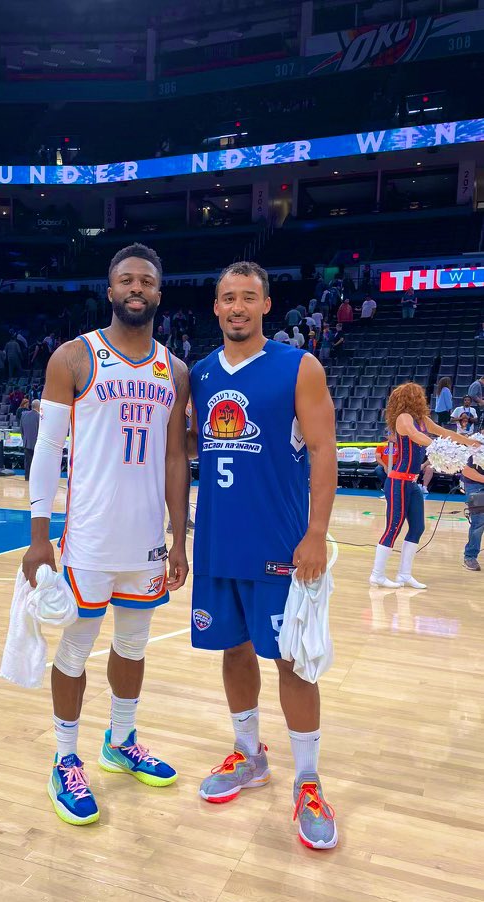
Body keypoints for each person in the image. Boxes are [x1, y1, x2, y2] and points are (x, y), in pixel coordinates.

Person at [22, 243, 190, 827]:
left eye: (147, 279)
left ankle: (120, 740)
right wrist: (39, 533)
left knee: (135, 645)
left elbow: (175, 460)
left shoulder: (177, 370)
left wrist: (179, 540)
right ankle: (65, 758)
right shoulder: (75, 357)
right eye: (126, 279)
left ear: (159, 292)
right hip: (88, 537)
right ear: (110, 289)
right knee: (74, 647)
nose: (136, 287)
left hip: (145, 540)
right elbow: (47, 449)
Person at [188, 260, 339, 850]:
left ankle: (308, 779)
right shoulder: (199, 373)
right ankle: (249, 754)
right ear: (216, 307)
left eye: (249, 298)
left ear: (266, 306)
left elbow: (324, 452)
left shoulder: (299, 367)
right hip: (219, 543)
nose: (237, 308)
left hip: (281, 544)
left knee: (292, 661)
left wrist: (317, 533)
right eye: (228, 298)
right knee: (233, 650)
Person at [369, 383, 480, 589]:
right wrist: (438, 447)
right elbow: (415, 435)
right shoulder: (404, 418)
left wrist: (468, 442)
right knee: (393, 527)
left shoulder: (422, 419)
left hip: (412, 483)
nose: (422, 399)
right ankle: (377, 574)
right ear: (411, 398)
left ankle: (404, 574)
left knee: (418, 527)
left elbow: (442, 431)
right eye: (418, 396)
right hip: (397, 481)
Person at [462, 456, 484, 571]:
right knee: (479, 521)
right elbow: (467, 471)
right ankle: (470, 556)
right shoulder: (477, 445)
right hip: (476, 484)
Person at [20, 399, 40, 481]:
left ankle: (27, 477)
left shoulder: (23, 415)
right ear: (39, 407)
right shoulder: (39, 416)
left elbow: (21, 429)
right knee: (36, 462)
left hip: (26, 442)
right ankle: (35, 478)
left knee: (28, 462)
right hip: (36, 443)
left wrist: (24, 439)